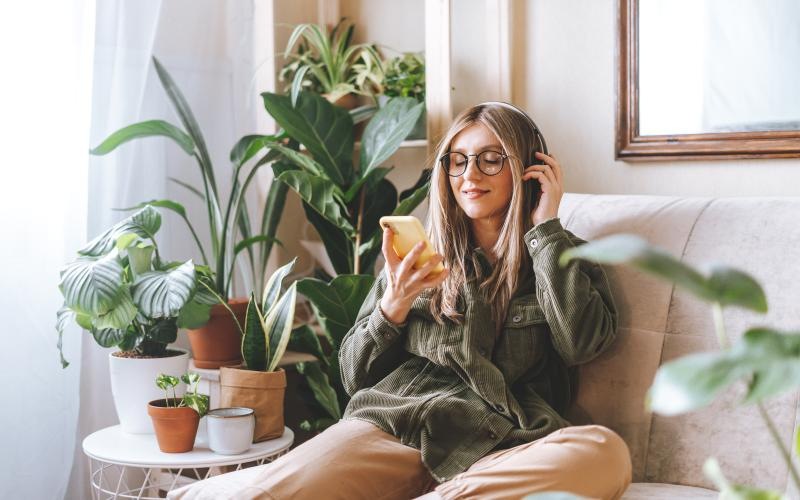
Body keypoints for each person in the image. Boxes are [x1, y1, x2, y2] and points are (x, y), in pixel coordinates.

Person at [169, 102, 632, 500]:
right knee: (264, 493)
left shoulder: (561, 254)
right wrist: (393, 304)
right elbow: (352, 378)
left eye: (491, 159)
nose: (470, 175)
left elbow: (581, 345)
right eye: (458, 160)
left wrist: (545, 228)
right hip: (393, 428)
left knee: (603, 452)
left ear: (529, 167)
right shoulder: (416, 258)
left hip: (498, 446)